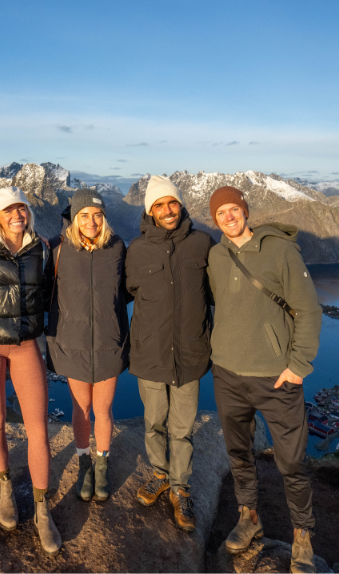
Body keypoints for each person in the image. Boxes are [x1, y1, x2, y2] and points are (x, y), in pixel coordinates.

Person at [206, 186, 322, 573]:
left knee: (292, 462)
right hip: (227, 373)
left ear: (245, 211)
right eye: (220, 212)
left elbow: (308, 310)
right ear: (214, 218)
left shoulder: (281, 251)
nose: (228, 216)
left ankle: (302, 535)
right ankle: (249, 517)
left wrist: (298, 365)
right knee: (239, 454)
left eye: (233, 209)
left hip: (276, 378)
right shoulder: (216, 256)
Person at [0, 186, 61, 556]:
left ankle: (41, 507)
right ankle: (5, 487)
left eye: (21, 208)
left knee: (38, 427)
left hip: (24, 347)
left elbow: (49, 294)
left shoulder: (42, 250)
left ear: (28, 213)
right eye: (9, 210)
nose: (16, 215)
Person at [125, 175, 215, 533]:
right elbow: (123, 292)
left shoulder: (202, 244)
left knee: (182, 428)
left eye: (172, 203)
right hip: (150, 354)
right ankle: (159, 473)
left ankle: (180, 486)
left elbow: (219, 293)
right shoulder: (137, 250)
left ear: (181, 205)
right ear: (150, 210)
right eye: (159, 205)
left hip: (190, 354)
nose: (167, 210)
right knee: (154, 422)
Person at [45, 188, 130, 503]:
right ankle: (84, 463)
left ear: (104, 217)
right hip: (73, 344)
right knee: (81, 409)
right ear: (74, 218)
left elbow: (128, 290)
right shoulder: (58, 249)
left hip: (109, 344)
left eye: (97, 214)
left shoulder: (118, 247)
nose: (91, 221)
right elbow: (43, 291)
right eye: (84, 215)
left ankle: (102, 464)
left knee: (103, 410)